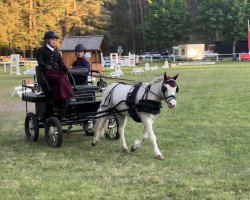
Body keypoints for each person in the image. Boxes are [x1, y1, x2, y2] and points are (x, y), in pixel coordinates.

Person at [36, 31, 75, 104]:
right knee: (60, 79)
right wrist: (45, 65)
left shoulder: (56, 51)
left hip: (57, 71)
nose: (54, 41)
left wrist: (66, 70)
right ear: (47, 40)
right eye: (52, 39)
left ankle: (69, 96)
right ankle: (64, 97)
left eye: (55, 40)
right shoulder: (41, 50)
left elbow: (61, 63)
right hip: (47, 72)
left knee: (64, 78)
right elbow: (40, 61)